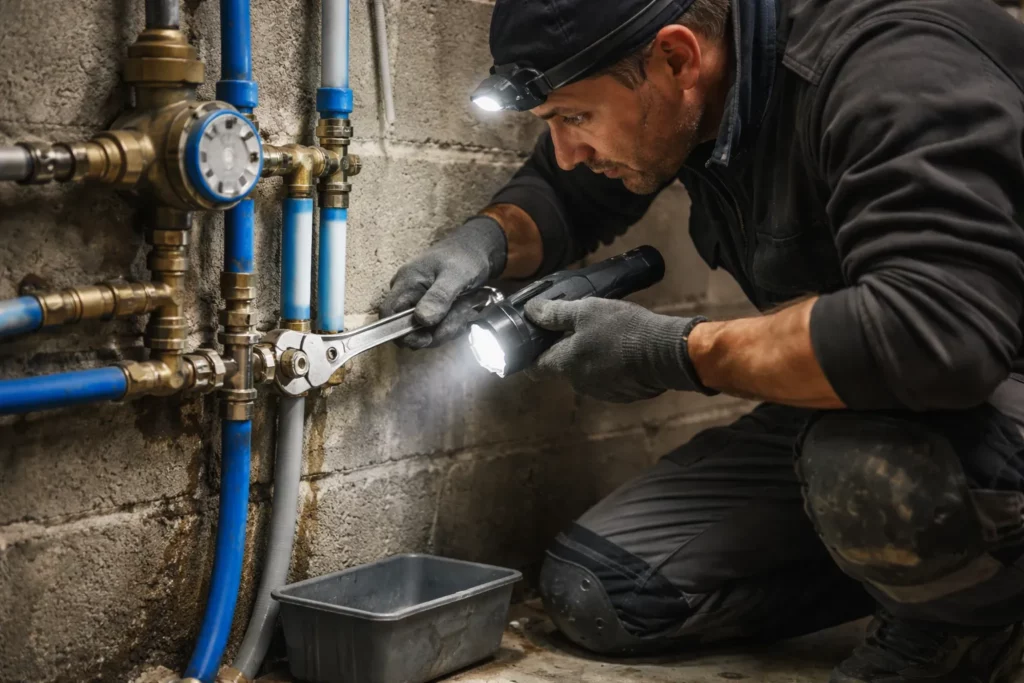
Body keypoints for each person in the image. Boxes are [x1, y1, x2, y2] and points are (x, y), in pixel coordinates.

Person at [380, 0, 1024, 680]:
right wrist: (484, 243)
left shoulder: (893, 64)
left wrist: (672, 350)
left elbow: (936, 332)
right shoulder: (704, 91)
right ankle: (931, 566)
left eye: (576, 118)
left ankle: (965, 621)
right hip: (868, 400)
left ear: (678, 56)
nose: (567, 148)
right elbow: (563, 193)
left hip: (983, 387)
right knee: (605, 590)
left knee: (866, 465)